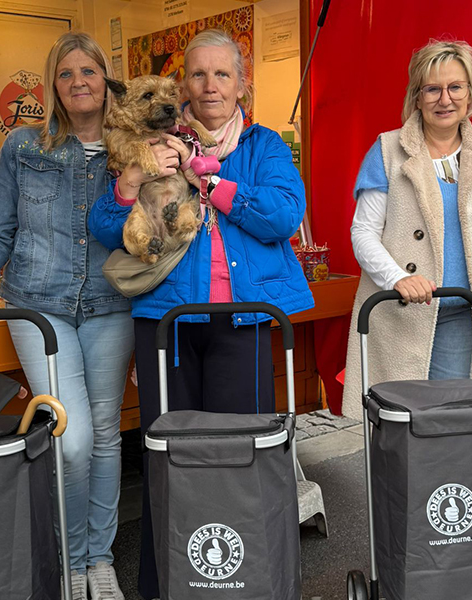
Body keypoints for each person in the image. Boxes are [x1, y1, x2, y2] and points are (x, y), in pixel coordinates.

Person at [88, 28, 313, 600]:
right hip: (167, 321)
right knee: (167, 455)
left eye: (222, 74)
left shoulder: (262, 146)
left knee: (243, 452)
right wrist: (132, 183)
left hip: (244, 318)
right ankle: (167, 586)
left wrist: (210, 181)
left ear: (241, 83)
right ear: (181, 84)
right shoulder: (146, 141)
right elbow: (106, 230)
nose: (209, 85)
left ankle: (246, 580)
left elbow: (283, 217)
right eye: (198, 74)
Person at [0, 32, 134, 600]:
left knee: (104, 435)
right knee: (69, 437)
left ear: (107, 80)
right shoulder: (25, 147)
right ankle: (69, 557)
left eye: (90, 71)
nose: (79, 81)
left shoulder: (133, 148)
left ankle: (97, 561)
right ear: (54, 86)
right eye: (66, 73)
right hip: (39, 309)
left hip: (111, 305)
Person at [341, 40, 472, 417]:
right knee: (398, 422)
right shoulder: (387, 150)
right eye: (432, 88)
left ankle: (444, 480)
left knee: (448, 417)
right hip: (400, 309)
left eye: (455, 87)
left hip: (462, 310)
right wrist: (397, 278)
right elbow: (363, 232)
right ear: (416, 97)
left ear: (470, 93)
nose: (444, 99)